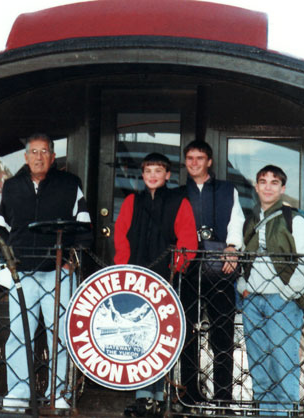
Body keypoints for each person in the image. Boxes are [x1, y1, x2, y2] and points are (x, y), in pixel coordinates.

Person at [0, 133, 92, 411]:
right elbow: (0, 228)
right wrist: (7, 259)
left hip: (57, 272)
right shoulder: (12, 187)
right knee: (18, 332)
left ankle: (58, 393)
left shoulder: (70, 184)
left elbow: (84, 226)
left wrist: (71, 259)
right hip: (21, 273)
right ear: (26, 157)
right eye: (33, 152)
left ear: (52, 157)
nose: (38, 157)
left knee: (59, 333)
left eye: (44, 151)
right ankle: (18, 390)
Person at [114, 152, 198, 417]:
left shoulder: (178, 200)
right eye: (148, 170)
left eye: (158, 170)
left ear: (168, 175)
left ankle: (159, 394)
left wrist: (177, 267)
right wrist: (123, 270)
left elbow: (187, 237)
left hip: (165, 276)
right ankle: (143, 394)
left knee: (160, 336)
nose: (152, 175)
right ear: (142, 174)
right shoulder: (131, 201)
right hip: (135, 277)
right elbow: (121, 236)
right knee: (137, 334)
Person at [238, 165, 304, 413]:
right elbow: (243, 259)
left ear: (283, 188)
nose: (268, 186)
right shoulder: (250, 221)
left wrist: (288, 293)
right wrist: (244, 287)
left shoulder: (295, 220)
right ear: (256, 186)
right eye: (263, 181)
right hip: (253, 301)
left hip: (282, 302)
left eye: (274, 182)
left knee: (283, 366)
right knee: (259, 367)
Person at [178, 140, 245, 405]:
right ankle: (189, 394)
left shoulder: (228, 190)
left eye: (200, 158)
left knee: (223, 333)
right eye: (190, 158)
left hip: (220, 266)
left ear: (209, 161)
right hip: (187, 268)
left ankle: (223, 397)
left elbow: (236, 220)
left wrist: (232, 248)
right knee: (187, 332)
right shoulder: (177, 193)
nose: (194, 163)